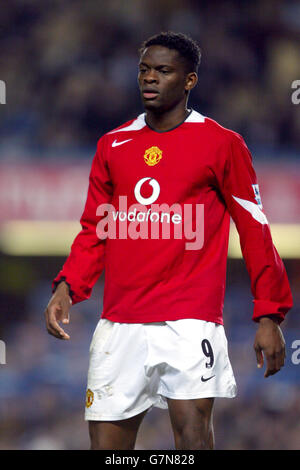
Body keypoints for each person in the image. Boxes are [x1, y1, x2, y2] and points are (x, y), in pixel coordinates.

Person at [44, 32, 293, 450]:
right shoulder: (113, 144)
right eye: (144, 69)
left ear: (190, 80)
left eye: (163, 70)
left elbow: (255, 230)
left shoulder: (222, 143)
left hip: (189, 319)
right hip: (120, 320)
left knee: (192, 439)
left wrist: (269, 314)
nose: (150, 78)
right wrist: (69, 285)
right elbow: (94, 227)